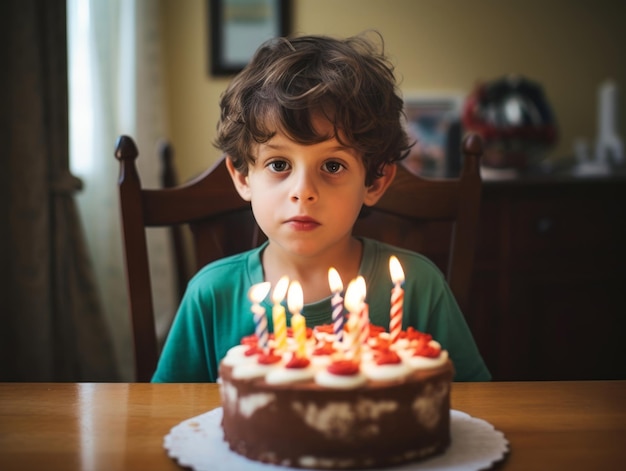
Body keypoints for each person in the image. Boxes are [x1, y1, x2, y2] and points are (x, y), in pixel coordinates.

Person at [152, 32, 491, 383]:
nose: (303, 192)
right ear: (242, 177)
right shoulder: (210, 295)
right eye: (279, 164)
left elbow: (477, 402)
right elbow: (165, 415)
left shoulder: (418, 287)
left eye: (332, 166)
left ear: (374, 182)